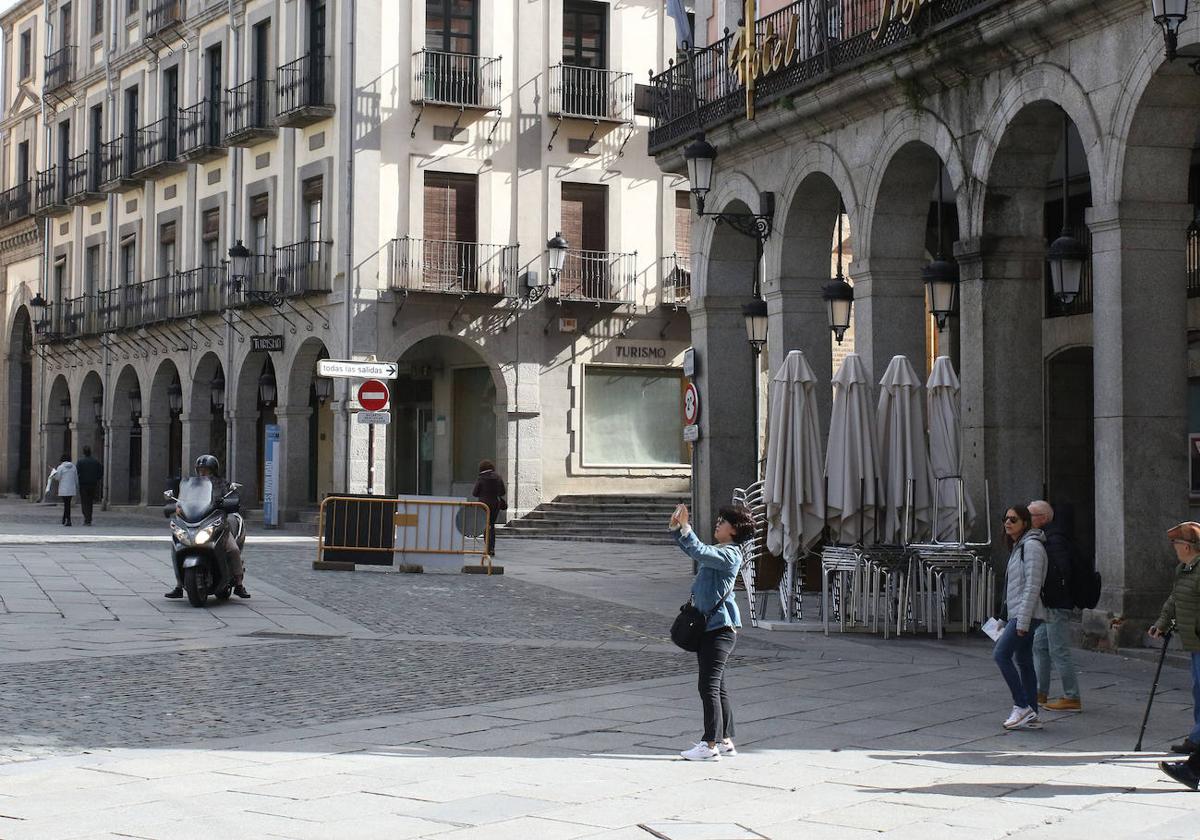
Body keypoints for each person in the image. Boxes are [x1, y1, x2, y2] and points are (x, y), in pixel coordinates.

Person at [669, 502, 754, 761]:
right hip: (711, 627)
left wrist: (686, 527)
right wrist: (676, 529)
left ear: (735, 530)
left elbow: (700, 550)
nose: (718, 523)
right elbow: (694, 551)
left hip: (720, 629)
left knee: (708, 686)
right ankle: (725, 740)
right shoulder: (721, 549)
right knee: (718, 686)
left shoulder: (730, 554)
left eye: (723, 521)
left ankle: (709, 745)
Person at [165, 455, 249, 600]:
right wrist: (177, 506)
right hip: (194, 521)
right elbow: (182, 499)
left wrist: (230, 501)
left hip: (216, 521)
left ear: (213, 470)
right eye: (201, 469)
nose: (203, 472)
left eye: (207, 469)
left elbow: (233, 497)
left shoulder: (222, 484)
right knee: (176, 545)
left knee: (233, 549)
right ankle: (179, 585)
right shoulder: (191, 484)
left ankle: (239, 584)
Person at [994, 503, 1048, 731]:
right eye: (1006, 518)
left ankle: (1021, 705)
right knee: (1024, 661)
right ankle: (1032, 713)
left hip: (1027, 614)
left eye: (1013, 519)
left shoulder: (1032, 546)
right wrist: (1004, 618)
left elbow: (1033, 586)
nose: (1007, 522)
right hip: (1020, 613)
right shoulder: (1019, 547)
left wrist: (1022, 621)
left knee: (1001, 655)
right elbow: (1014, 588)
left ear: (1025, 523)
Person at [1150, 520, 1200, 756]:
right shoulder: (1185, 569)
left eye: (1176, 543)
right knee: (1197, 690)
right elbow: (1175, 598)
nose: (1173, 547)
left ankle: (1196, 740)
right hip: (1194, 641)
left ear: (1188, 546)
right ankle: (1197, 739)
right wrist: (1162, 623)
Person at [1029, 500, 1082, 712]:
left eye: (1030, 515)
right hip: (1050, 604)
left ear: (1042, 518)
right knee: (1039, 644)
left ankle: (1072, 697)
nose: (1027, 519)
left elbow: (1061, 572)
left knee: (1058, 649)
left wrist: (1051, 594)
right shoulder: (1048, 537)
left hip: (1056, 604)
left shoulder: (1054, 539)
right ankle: (1040, 692)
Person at [471, 459, 506, 560]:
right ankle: (492, 548)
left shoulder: (481, 478)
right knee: (491, 525)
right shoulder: (498, 477)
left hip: (484, 504)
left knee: (485, 525)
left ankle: (487, 547)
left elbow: (475, 493)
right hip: (495, 504)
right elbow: (502, 492)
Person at [75, 446, 103, 527]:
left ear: (84, 452)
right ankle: (89, 518)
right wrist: (97, 478)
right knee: (90, 502)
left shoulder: (80, 462)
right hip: (93, 484)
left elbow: (77, 472)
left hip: (83, 484)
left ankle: (86, 518)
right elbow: (101, 471)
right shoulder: (95, 461)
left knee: (84, 501)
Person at [48, 454, 79, 527]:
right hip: (71, 488)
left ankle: (68, 519)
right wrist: (76, 486)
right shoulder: (73, 467)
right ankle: (65, 518)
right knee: (67, 504)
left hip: (64, 488)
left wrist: (53, 472)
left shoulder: (60, 467)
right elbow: (76, 478)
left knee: (66, 504)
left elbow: (58, 478)